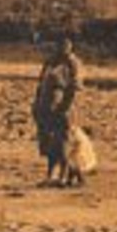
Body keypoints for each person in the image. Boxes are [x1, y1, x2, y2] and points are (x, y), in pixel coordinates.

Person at [32, 35, 84, 187]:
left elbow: (75, 88)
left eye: (66, 46)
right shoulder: (51, 62)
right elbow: (40, 83)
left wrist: (65, 107)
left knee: (63, 142)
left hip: (62, 108)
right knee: (49, 142)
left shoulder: (73, 63)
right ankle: (53, 174)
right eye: (60, 45)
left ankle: (64, 175)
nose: (62, 49)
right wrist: (37, 104)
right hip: (46, 106)